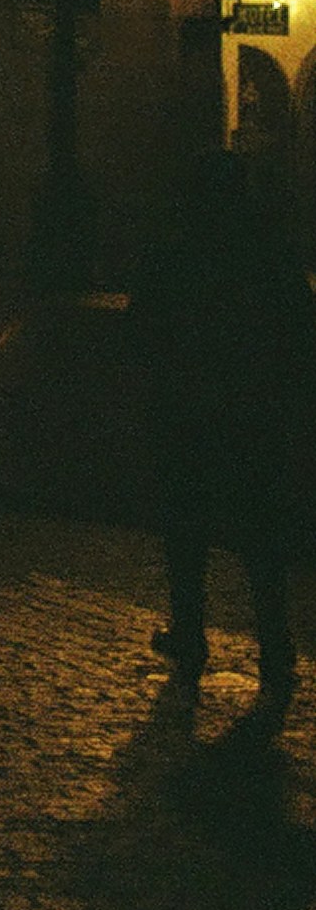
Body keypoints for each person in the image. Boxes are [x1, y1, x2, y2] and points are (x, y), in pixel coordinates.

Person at [131, 151, 312, 733]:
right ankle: (276, 655)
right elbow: (299, 328)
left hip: (187, 413)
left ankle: (190, 638)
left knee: (186, 532)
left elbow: (144, 326)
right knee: (260, 541)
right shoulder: (266, 253)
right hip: (251, 416)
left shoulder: (176, 251)